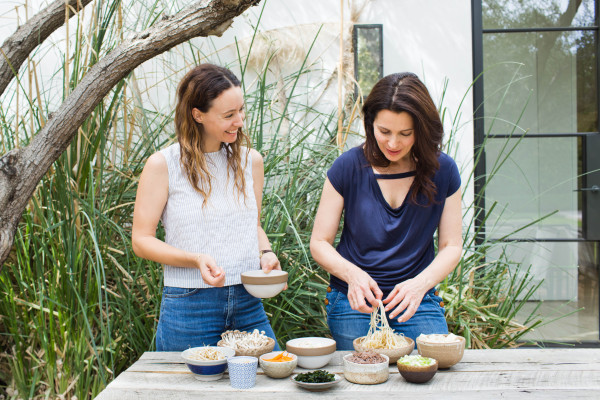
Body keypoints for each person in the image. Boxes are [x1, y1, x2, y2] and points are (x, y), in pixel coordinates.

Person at [132, 64, 282, 351]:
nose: (239, 121)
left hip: (248, 301)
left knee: (268, 387)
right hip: (189, 305)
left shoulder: (251, 161)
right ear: (197, 114)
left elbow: (253, 225)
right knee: (186, 394)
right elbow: (141, 241)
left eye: (241, 111)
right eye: (228, 115)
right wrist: (196, 259)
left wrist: (266, 252)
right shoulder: (163, 165)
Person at [310, 72, 462, 350]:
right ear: (370, 125)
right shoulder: (347, 167)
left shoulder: (445, 171)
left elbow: (452, 245)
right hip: (354, 299)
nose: (393, 144)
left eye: (405, 134)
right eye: (384, 132)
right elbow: (319, 243)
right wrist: (353, 276)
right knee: (362, 377)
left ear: (422, 129)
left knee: (429, 374)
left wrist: (420, 284)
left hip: (418, 299)